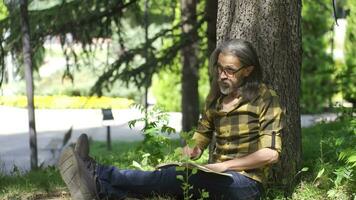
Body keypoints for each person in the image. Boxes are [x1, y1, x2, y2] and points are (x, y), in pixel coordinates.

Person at [58, 39, 284, 200]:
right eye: (219, 68)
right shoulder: (215, 98)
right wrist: (192, 151)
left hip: (246, 184)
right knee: (171, 180)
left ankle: (97, 173)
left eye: (230, 70)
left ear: (248, 70)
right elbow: (202, 135)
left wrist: (224, 165)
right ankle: (100, 189)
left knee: (180, 178)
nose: (222, 75)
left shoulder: (265, 98)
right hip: (214, 175)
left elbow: (271, 154)